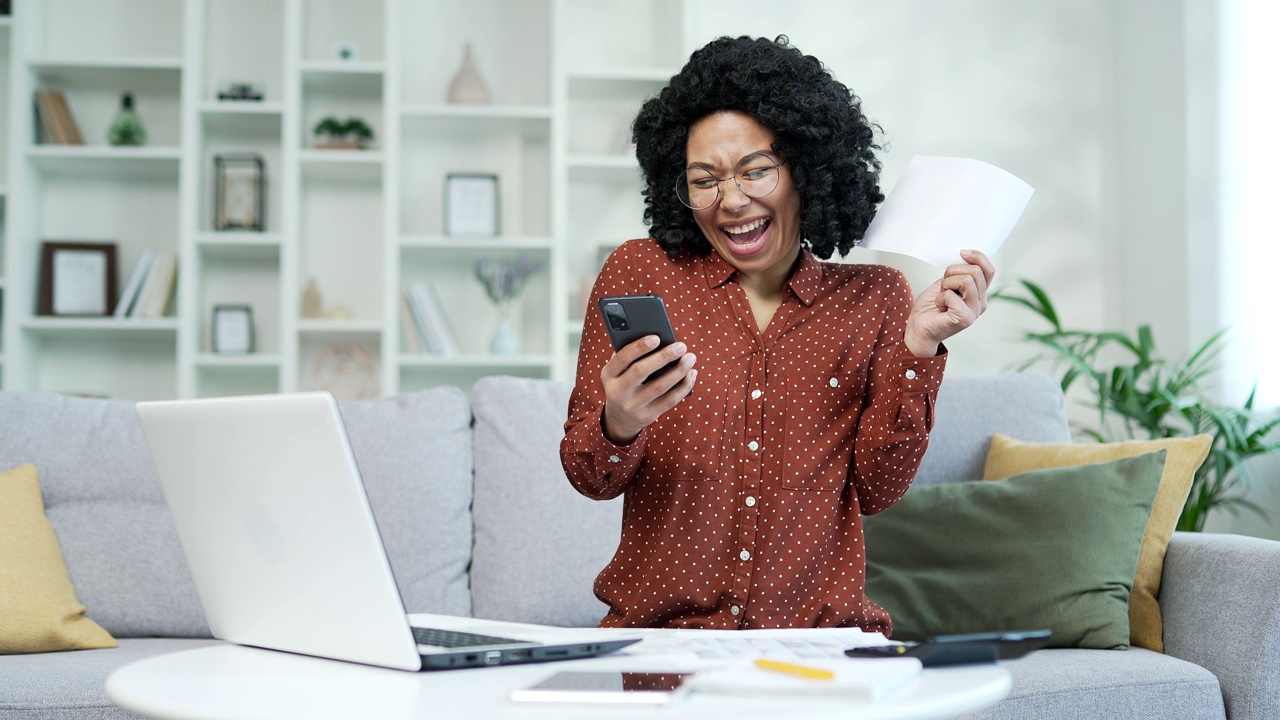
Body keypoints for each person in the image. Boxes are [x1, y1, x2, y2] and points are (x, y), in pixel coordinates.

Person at [560, 35, 995, 634]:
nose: (731, 201)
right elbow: (590, 476)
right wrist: (620, 421)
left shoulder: (875, 298)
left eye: (756, 171)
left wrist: (918, 349)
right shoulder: (642, 272)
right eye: (704, 178)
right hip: (662, 642)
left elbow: (879, 490)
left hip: (817, 646)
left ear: (805, 170)